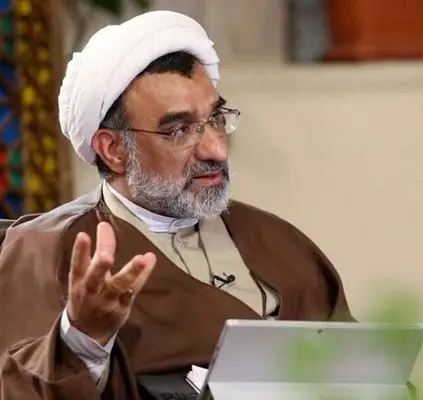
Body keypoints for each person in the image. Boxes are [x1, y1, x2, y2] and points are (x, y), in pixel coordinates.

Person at [0, 10, 358, 400]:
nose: (216, 150)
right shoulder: (48, 250)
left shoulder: (280, 242)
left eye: (216, 119)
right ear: (114, 149)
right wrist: (83, 340)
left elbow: (366, 373)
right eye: (179, 130)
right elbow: (18, 388)